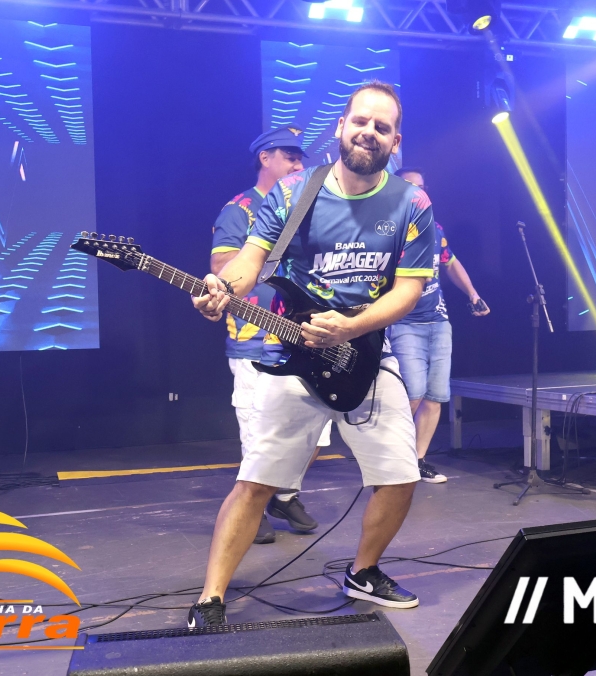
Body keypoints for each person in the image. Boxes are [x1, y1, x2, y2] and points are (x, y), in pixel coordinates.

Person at [189, 82, 435, 627]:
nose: (369, 132)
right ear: (341, 126)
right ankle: (210, 598)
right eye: (360, 121)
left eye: (382, 127)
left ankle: (363, 571)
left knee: (401, 474)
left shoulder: (412, 202)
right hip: (293, 355)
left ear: (395, 141)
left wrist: (351, 326)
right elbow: (251, 260)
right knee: (257, 482)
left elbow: (408, 290)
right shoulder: (294, 190)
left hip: (367, 354)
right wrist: (224, 288)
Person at [211, 126, 331, 544]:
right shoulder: (240, 209)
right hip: (253, 338)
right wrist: (271, 258)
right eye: (289, 156)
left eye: (300, 158)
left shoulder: (306, 204)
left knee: (317, 432)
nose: (298, 164)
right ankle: (254, 504)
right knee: (258, 432)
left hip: (301, 336)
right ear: (265, 158)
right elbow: (222, 265)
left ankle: (283, 494)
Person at [387, 167, 489, 483]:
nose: (419, 191)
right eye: (410, 185)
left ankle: (418, 460)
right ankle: (394, 458)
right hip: (404, 321)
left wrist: (473, 294)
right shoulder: (386, 229)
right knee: (413, 392)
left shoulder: (434, 227)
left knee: (435, 395)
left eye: (422, 186)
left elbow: (451, 262)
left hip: (438, 321)